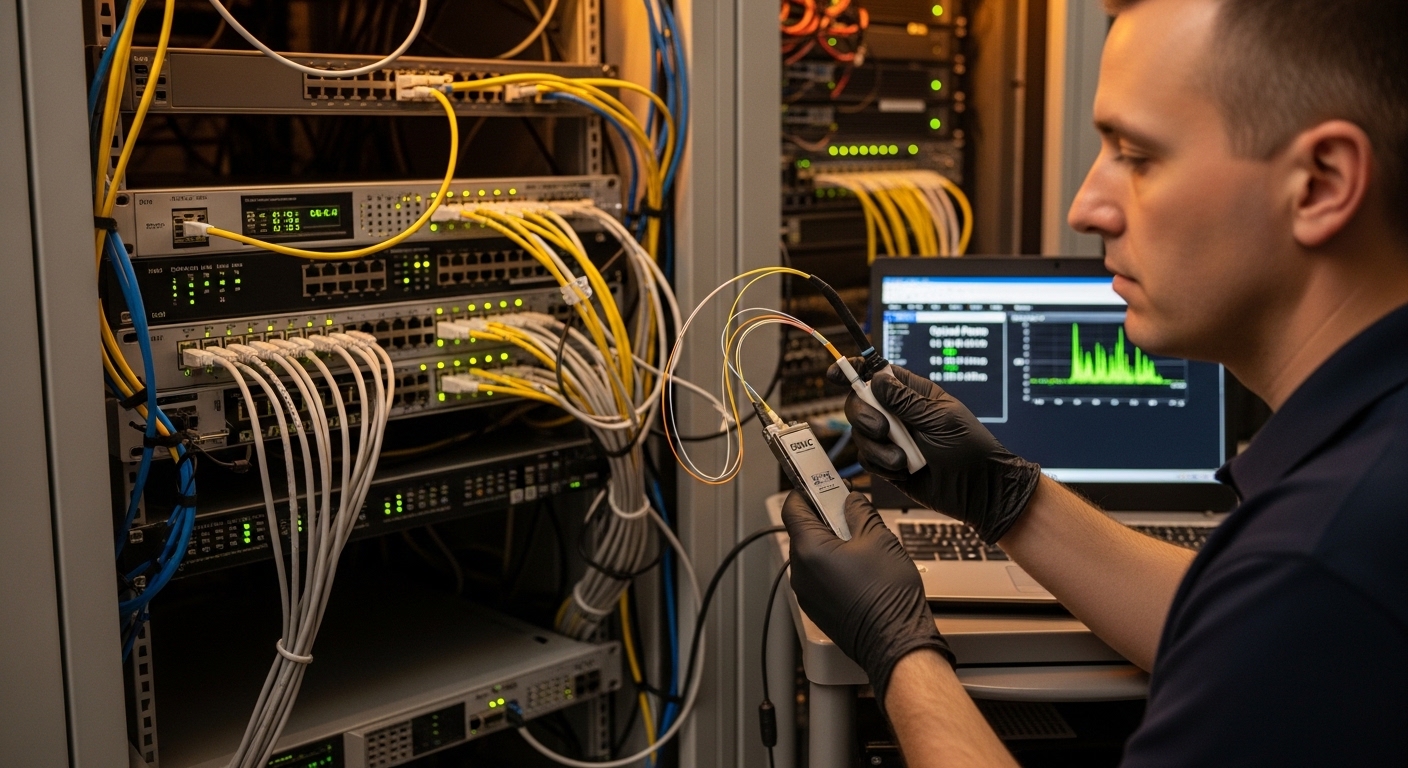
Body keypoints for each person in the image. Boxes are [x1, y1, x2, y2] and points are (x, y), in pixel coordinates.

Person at [780, 0, 1408, 764]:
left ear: (1320, 182)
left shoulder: (1320, 556)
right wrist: (1007, 499)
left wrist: (898, 649)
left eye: (1137, 156)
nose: (1086, 208)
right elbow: (1229, 615)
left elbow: (1282, 607)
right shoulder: (1363, 482)